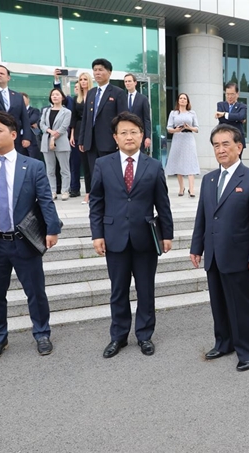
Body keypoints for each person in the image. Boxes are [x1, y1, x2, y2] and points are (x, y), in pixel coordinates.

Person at [0, 111, 61, 361]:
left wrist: (52, 229)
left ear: (13, 134)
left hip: (24, 241)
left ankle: (41, 333)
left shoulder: (33, 166)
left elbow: (45, 200)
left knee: (36, 292)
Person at [89, 112, 174, 358]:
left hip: (145, 238)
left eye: (134, 132)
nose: (129, 137)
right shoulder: (103, 165)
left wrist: (166, 234)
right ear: (115, 138)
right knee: (118, 290)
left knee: (146, 289)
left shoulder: (154, 165)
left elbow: (163, 203)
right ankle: (118, 336)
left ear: (142, 136)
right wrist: (97, 234)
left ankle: (145, 335)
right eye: (123, 133)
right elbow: (96, 201)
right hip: (114, 236)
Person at [190, 124, 249, 372]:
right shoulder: (209, 179)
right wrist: (197, 247)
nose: (221, 149)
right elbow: (202, 216)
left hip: (239, 255)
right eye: (216, 145)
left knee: (242, 304)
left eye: (226, 144)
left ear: (239, 146)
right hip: (214, 253)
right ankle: (224, 342)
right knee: (218, 302)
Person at [78, 58, 128, 203]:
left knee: (110, 174)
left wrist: (121, 139)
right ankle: (97, 200)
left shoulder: (118, 93)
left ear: (109, 72)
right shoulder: (92, 93)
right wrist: (82, 139)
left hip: (109, 142)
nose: (97, 73)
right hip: (91, 142)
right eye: (95, 70)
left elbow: (122, 119)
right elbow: (86, 118)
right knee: (94, 174)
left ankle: (113, 200)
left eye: (100, 70)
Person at [54, 69, 86, 199]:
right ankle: (74, 188)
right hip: (77, 133)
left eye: (80, 86)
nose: (77, 88)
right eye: (76, 86)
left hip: (90, 133)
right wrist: (57, 81)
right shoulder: (73, 100)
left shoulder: (92, 97)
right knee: (74, 163)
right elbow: (58, 95)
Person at [165, 93, 200, 197]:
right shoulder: (173, 113)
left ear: (187, 101)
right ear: (178, 100)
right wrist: (176, 130)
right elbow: (169, 128)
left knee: (191, 161)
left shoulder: (192, 113)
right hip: (178, 138)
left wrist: (189, 127)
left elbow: (197, 128)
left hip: (189, 139)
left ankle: (192, 189)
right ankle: (181, 187)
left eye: (185, 98)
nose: (183, 100)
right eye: (181, 98)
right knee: (178, 162)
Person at [40, 88, 72, 200]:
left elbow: (64, 127)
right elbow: (42, 124)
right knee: (50, 169)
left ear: (62, 97)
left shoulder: (67, 112)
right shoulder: (46, 111)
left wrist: (54, 135)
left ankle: (65, 191)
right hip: (46, 142)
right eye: (53, 95)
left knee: (64, 169)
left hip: (61, 142)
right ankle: (52, 191)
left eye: (57, 94)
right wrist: (50, 131)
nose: (55, 96)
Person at [215, 81, 247, 153]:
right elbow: (222, 119)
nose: (229, 97)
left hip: (237, 139)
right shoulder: (220, 105)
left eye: (232, 94)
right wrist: (236, 118)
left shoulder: (242, 106)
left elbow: (241, 116)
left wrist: (224, 114)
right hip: (223, 139)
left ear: (237, 94)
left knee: (237, 162)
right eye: (227, 94)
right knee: (223, 161)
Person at [124, 73, 152, 152]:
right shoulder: (123, 98)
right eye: (125, 82)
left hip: (139, 134)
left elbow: (146, 119)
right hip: (126, 133)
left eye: (129, 81)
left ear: (135, 83)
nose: (127, 83)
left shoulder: (143, 99)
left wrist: (148, 137)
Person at [22, 93, 42, 160]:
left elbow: (32, 120)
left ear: (28, 99)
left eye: (23, 99)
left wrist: (20, 123)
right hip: (19, 140)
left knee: (33, 159)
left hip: (32, 139)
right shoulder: (17, 112)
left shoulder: (34, 110)